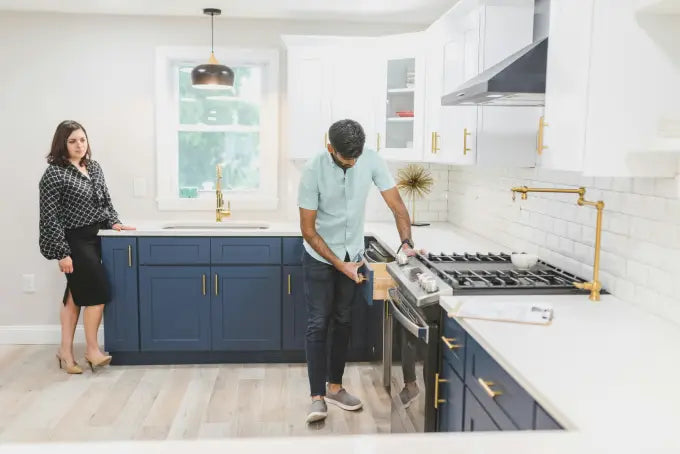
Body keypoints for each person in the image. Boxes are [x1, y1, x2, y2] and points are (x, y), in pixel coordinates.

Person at [298, 119, 418, 424]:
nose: (353, 164)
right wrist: (341, 265)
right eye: (346, 160)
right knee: (318, 322)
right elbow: (308, 231)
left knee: (343, 320)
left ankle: (335, 387)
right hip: (321, 256)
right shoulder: (313, 170)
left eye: (356, 158)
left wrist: (406, 243)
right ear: (330, 149)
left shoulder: (370, 159)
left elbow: (398, 206)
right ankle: (316, 398)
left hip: (352, 252)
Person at [39, 120, 135, 374]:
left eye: (82, 139)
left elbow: (105, 201)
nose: (79, 145)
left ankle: (65, 352)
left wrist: (114, 222)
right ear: (62, 144)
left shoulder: (93, 167)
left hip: (96, 238)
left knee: (74, 296)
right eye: (72, 141)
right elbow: (50, 217)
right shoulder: (54, 173)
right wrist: (62, 252)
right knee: (98, 293)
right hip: (73, 240)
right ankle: (92, 350)